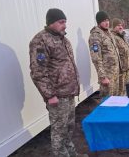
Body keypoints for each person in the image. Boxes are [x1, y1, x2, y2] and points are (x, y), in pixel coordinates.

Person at [29, 8, 88, 157]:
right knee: (59, 133)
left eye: (65, 22)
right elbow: (38, 72)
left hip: (68, 93)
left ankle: (72, 154)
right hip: (57, 96)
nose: (65, 25)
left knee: (68, 129)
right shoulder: (40, 41)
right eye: (61, 22)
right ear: (51, 23)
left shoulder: (63, 39)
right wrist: (49, 95)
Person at [88, 11, 120, 98]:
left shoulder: (108, 33)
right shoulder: (95, 36)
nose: (107, 23)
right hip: (107, 76)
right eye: (104, 21)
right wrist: (102, 77)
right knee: (107, 102)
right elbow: (96, 58)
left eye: (107, 20)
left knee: (116, 100)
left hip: (115, 74)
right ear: (99, 22)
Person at [111, 18, 129, 95]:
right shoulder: (113, 38)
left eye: (121, 25)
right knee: (119, 93)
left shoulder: (122, 36)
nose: (120, 27)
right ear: (113, 27)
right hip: (120, 72)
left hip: (126, 70)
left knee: (125, 92)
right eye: (118, 25)